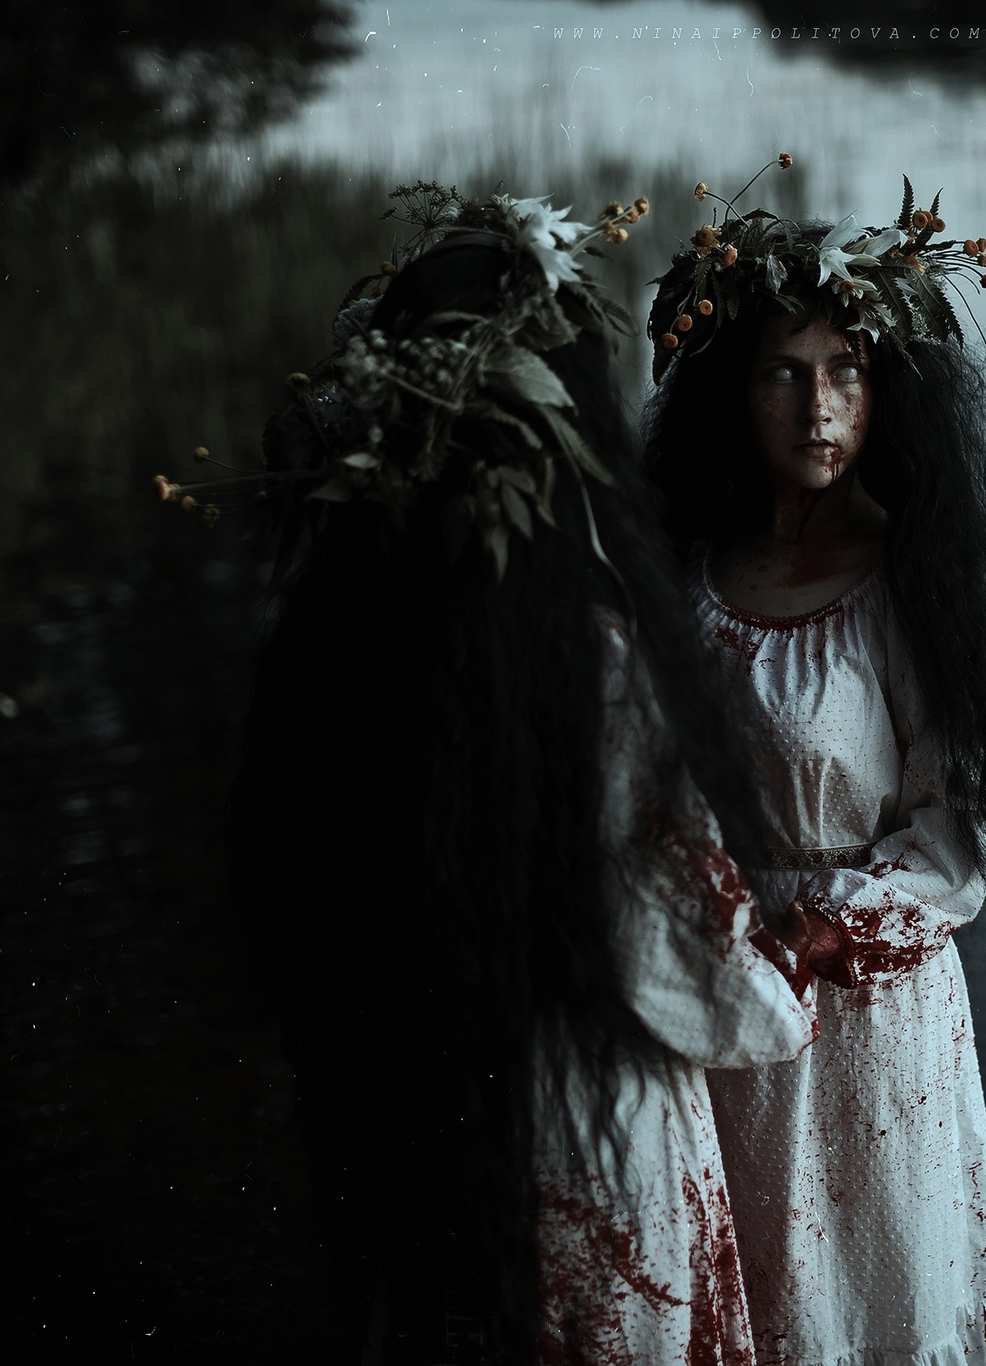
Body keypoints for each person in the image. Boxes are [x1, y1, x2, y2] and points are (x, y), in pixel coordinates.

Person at [201, 185, 815, 1363]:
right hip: (588, 1125)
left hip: (403, 1120)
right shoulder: (586, 646)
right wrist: (787, 1002)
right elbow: (678, 942)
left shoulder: (329, 635)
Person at [643, 163, 986, 1365]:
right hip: (711, 990)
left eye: (846, 373)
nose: (817, 408)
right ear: (733, 395)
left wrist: (823, 932)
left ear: (888, 393)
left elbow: (951, 846)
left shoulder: (910, 584)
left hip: (861, 1013)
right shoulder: (679, 579)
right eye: (782, 374)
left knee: (871, 1295)